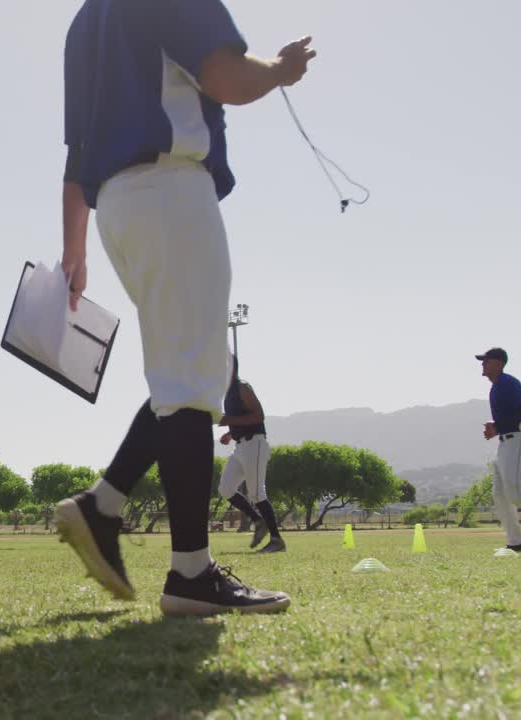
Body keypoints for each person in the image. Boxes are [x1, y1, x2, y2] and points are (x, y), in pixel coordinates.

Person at [53, 0, 315, 615]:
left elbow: (77, 155)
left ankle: (103, 505)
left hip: (119, 207)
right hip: (170, 188)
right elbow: (225, 77)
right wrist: (280, 69)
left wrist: (75, 249)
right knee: (191, 382)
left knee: (188, 374)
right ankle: (190, 573)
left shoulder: (85, 21)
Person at [477, 347, 521, 552]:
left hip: (518, 441)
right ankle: (516, 542)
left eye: (486, 361)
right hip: (506, 443)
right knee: (500, 495)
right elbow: (510, 417)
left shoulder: (508, 383)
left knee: (516, 495)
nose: (482, 364)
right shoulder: (497, 386)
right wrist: (496, 427)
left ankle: (516, 542)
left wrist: (498, 426)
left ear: (498, 363)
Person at [217, 356, 284, 553]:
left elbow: (258, 416)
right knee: (225, 489)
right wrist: (230, 433)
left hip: (255, 444)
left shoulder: (242, 387)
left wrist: (229, 421)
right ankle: (258, 520)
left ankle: (277, 540)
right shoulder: (228, 393)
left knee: (256, 493)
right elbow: (242, 418)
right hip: (241, 447)